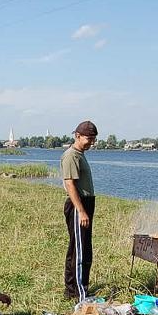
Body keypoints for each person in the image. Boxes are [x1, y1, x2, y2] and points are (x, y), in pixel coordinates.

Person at [61, 120, 98, 301]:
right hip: (78, 206)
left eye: (93, 139)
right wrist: (81, 211)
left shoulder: (80, 154)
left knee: (80, 247)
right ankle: (79, 293)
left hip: (85, 204)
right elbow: (70, 184)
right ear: (77, 136)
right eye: (89, 139)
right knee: (80, 251)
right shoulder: (71, 155)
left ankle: (73, 290)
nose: (91, 142)